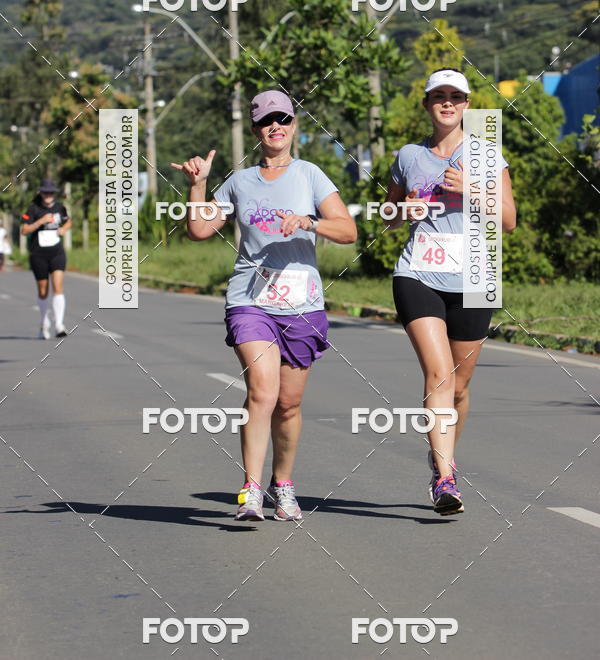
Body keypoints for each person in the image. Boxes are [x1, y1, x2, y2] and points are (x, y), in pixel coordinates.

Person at [171, 90, 357, 522]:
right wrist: (197, 183)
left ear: (294, 125)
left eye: (283, 119)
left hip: (302, 304)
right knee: (263, 390)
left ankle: (283, 484)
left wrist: (311, 222)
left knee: (288, 404)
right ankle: (251, 489)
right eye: (266, 121)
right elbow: (199, 228)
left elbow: (347, 231)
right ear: (255, 131)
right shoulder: (239, 181)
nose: (276, 126)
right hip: (250, 300)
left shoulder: (311, 175)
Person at [385, 68, 516, 515]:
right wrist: (403, 209)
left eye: (455, 97)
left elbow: (510, 219)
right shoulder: (407, 156)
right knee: (439, 375)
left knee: (459, 387)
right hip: (418, 273)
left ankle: (442, 457)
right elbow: (387, 214)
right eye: (438, 96)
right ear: (426, 104)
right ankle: (444, 478)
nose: (447, 103)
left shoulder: (486, 154)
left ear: (465, 105)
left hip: (475, 276)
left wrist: (473, 189)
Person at [20, 179, 72, 339]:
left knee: (58, 287)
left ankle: (59, 324)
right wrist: (40, 222)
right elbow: (24, 230)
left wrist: (63, 229)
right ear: (41, 193)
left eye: (50, 193)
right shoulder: (33, 208)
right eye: (45, 192)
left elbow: (68, 221)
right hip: (38, 254)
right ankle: (44, 323)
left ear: (54, 194)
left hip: (56, 253)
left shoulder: (59, 208)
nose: (48, 195)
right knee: (43, 291)